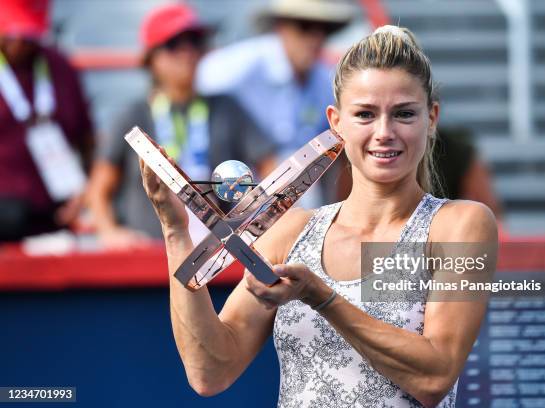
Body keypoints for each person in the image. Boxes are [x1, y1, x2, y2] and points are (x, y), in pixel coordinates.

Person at [141, 25, 497, 407]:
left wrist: (320, 296)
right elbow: (209, 371)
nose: (384, 132)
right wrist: (175, 231)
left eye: (404, 114)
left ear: (432, 119)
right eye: (365, 114)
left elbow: (435, 375)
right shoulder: (292, 231)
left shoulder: (459, 225)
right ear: (335, 122)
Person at [87, 3, 277, 248]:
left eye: (195, 42)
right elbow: (98, 190)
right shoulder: (134, 116)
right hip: (149, 256)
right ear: (151, 58)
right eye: (173, 44)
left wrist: (255, 218)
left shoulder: (227, 108)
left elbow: (271, 168)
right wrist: (110, 233)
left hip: (217, 256)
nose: (187, 53)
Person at [196, 0, 355, 207]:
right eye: (304, 27)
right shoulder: (246, 63)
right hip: (244, 194)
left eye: (323, 30)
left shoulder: (324, 80)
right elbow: (200, 82)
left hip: (302, 194)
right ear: (281, 27)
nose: (315, 38)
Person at [0, 0, 94, 241]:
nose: (18, 40)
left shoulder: (59, 68)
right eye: (11, 32)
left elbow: (87, 140)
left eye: (26, 34)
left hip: (54, 215)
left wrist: (84, 193)